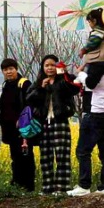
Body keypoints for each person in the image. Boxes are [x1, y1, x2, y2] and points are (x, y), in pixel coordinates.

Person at [77, 55, 104, 196]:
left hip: (97, 112)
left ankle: (84, 186)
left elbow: (90, 84)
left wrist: (82, 74)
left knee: (83, 150)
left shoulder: (98, 64)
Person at [36, 55, 77, 196]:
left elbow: (73, 89)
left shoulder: (64, 81)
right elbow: (31, 99)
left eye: (53, 65)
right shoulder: (40, 82)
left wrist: (63, 73)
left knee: (62, 155)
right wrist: (41, 88)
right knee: (45, 156)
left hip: (60, 121)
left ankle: (62, 188)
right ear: (43, 67)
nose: (49, 68)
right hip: (44, 123)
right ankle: (47, 187)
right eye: (47, 65)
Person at [0, 59, 37, 192]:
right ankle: (17, 183)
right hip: (10, 128)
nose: (8, 72)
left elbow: (31, 104)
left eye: (11, 69)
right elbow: (4, 108)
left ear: (16, 69)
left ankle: (28, 186)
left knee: (26, 155)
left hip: (23, 127)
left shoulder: (24, 84)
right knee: (15, 156)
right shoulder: (6, 85)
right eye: (5, 70)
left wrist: (23, 119)